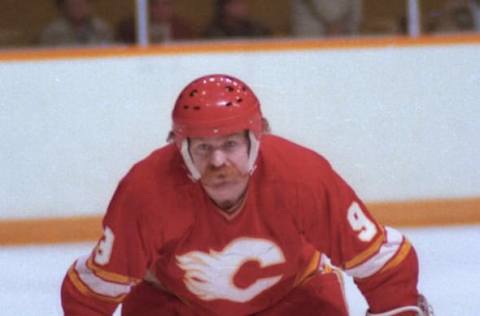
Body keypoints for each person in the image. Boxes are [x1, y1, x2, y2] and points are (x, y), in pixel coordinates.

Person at [61, 74, 433, 315]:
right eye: (202, 148)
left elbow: (383, 267)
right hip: (177, 304)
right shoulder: (146, 193)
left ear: (258, 139)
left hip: (293, 299)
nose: (218, 161)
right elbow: (92, 294)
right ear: (178, 146)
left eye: (230, 144)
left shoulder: (302, 177)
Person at [115, 0, 196, 44]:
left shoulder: (184, 28)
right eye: (155, 4)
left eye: (166, 4)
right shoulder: (129, 28)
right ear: (147, 7)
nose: (160, 9)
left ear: (173, 6)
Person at [39, 0, 113, 47]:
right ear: (64, 7)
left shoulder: (101, 29)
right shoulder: (52, 32)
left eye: (81, 4)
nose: (78, 8)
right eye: (73, 5)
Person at [290, 0, 362, 38]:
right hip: (312, 40)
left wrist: (349, 29)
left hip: (345, 39)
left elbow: (355, 11)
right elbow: (324, 8)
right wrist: (335, 23)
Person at [203, 0, 271, 39]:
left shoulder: (257, 29)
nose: (244, 7)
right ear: (226, 7)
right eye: (238, 3)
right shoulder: (213, 33)